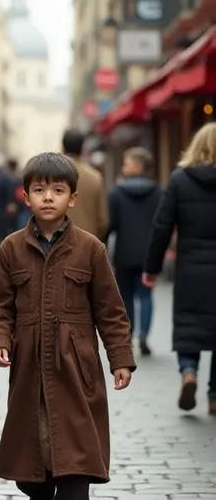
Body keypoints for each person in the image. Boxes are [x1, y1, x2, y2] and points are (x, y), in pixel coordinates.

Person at [0, 152, 135, 500]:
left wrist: (120, 357)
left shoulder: (91, 249)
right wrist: (0, 339)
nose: (48, 197)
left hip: (77, 364)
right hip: (29, 365)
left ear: (72, 198)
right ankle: (37, 493)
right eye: (39, 190)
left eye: (57, 190)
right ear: (26, 196)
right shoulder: (10, 248)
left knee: (76, 440)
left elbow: (111, 310)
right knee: (34, 435)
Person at [143, 122, 216, 414]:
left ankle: (189, 371)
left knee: (189, 321)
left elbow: (161, 226)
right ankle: (214, 396)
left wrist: (152, 267)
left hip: (191, 267)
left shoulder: (179, 180)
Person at [107, 147, 162, 356]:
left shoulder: (116, 193)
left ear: (138, 166)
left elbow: (111, 224)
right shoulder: (158, 192)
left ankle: (128, 335)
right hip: (150, 253)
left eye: (126, 163)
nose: (123, 167)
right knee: (146, 295)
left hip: (124, 252)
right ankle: (144, 335)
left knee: (125, 296)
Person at [62, 129, 108, 241]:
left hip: (58, 244)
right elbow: (103, 221)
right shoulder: (95, 177)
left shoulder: (53, 176)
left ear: (63, 148)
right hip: (88, 244)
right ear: (82, 148)